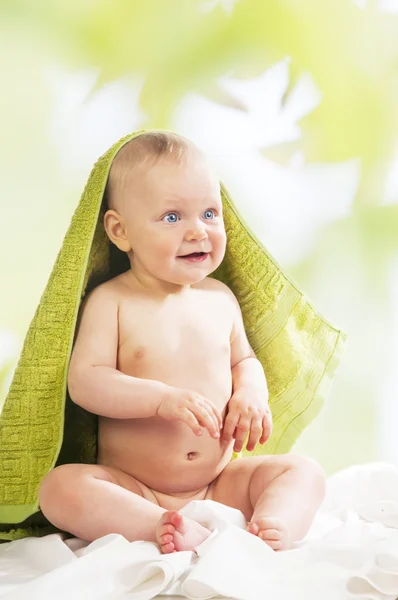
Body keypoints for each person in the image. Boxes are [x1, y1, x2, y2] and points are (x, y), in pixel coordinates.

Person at [38, 131, 326, 553]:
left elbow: (243, 360)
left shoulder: (220, 299)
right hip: (136, 488)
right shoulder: (112, 301)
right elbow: (86, 381)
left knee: (305, 472)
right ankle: (159, 526)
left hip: (219, 484)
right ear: (120, 231)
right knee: (60, 488)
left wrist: (250, 394)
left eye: (210, 213)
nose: (198, 232)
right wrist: (159, 400)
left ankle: (270, 526)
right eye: (172, 217)